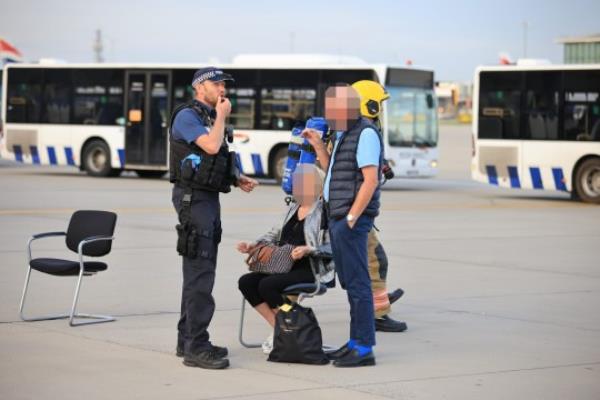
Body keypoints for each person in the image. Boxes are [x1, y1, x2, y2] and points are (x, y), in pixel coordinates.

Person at [170, 67, 258, 370]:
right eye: (216, 83)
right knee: (200, 273)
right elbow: (209, 145)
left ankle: (187, 340)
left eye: (224, 84)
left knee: (199, 270)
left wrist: (236, 177)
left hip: (206, 198)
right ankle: (197, 346)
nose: (222, 88)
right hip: (193, 199)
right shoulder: (188, 116)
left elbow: (212, 156)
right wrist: (221, 117)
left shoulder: (207, 117)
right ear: (199, 87)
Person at [302, 84, 383, 367]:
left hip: (350, 220)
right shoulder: (344, 134)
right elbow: (333, 171)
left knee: (359, 283)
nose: (327, 113)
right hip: (337, 217)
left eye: (332, 108)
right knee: (351, 283)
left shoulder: (366, 133)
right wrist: (317, 145)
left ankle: (363, 348)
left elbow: (370, 180)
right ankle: (354, 341)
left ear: (348, 107)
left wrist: (351, 217)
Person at [237, 164, 333, 354]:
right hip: (283, 265)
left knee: (267, 286)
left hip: (309, 269)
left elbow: (334, 247)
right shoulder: (292, 209)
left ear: (318, 187)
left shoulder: (325, 213)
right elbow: (273, 235)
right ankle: (280, 329)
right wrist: (252, 245)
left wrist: (309, 249)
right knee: (246, 282)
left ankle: (289, 320)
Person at [351, 80, 407, 333]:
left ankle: (376, 303)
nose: (381, 110)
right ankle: (377, 313)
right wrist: (354, 213)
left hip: (351, 209)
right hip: (354, 210)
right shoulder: (363, 131)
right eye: (379, 104)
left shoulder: (353, 128)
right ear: (369, 104)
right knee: (374, 260)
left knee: (370, 261)